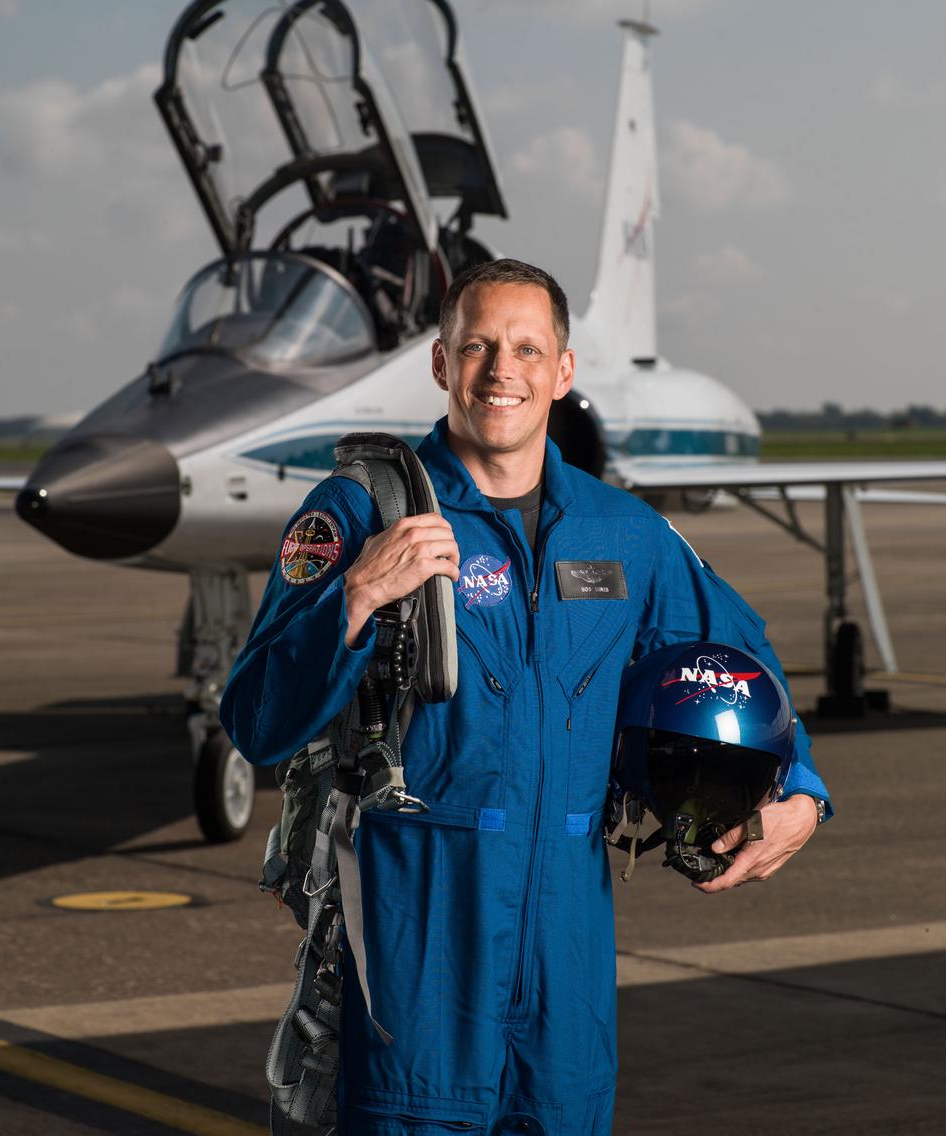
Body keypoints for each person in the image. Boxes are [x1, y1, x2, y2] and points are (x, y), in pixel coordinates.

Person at [221, 258, 831, 1136]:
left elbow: (741, 660)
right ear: (441, 364)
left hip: (568, 962)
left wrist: (803, 790)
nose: (501, 372)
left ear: (563, 370)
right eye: (477, 347)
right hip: (416, 947)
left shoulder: (624, 532)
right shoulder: (361, 513)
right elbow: (255, 718)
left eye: (526, 349)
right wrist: (354, 596)